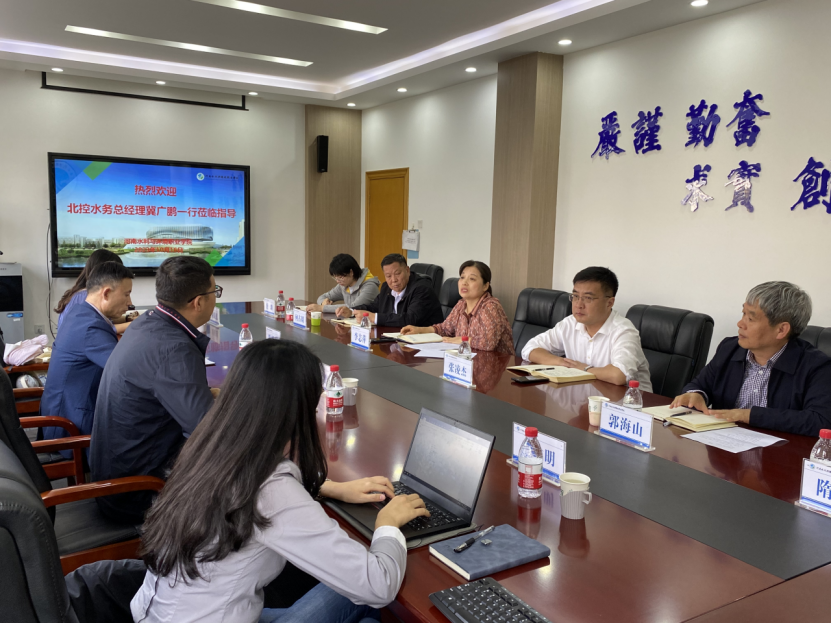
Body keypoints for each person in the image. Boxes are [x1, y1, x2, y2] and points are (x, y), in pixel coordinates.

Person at [132, 340, 429, 623]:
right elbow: (378, 585)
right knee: (366, 598)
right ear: (297, 411)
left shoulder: (208, 447)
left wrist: (332, 488)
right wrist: (387, 524)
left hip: (169, 612)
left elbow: (251, 493)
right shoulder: (271, 489)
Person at [91, 256, 221, 524]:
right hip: (139, 492)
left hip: (116, 473)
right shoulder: (175, 348)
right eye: (214, 292)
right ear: (198, 302)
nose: (215, 299)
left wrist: (208, 395)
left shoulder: (148, 322)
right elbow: (206, 431)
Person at [671, 281, 831, 436]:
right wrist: (696, 394)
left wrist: (747, 415)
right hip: (723, 445)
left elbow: (820, 420)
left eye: (751, 318)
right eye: (743, 313)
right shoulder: (729, 348)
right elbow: (700, 384)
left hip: (779, 451)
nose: (740, 323)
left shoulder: (816, 366)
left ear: (781, 330)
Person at [41, 262, 134, 450]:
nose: (130, 302)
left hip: (63, 414)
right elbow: (127, 372)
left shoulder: (81, 312)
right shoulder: (91, 327)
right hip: (72, 429)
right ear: (106, 293)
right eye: (126, 294)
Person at [521, 267, 652, 391]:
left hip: (630, 403)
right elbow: (529, 349)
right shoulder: (570, 323)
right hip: (585, 397)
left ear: (609, 303)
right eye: (575, 296)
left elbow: (618, 375)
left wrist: (584, 369)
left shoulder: (624, 331)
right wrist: (562, 363)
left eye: (588, 298)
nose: (579, 304)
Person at [401, 260, 514, 356]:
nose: (464, 282)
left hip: (495, 366)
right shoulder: (461, 304)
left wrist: (462, 340)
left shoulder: (491, 306)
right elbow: (444, 329)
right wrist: (419, 330)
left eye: (472, 279)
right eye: (462, 277)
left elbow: (488, 343)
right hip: (467, 360)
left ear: (485, 286)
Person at [338, 253, 443, 327]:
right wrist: (352, 311)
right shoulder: (386, 287)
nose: (393, 280)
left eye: (397, 274)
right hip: (395, 338)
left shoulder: (422, 289)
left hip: (423, 342)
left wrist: (374, 317)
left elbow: (410, 319)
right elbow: (374, 306)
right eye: (388, 276)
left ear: (407, 270)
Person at [55, 249, 131, 335]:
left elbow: (103, 321)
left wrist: (128, 318)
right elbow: (102, 328)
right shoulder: (86, 297)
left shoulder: (79, 293)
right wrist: (132, 324)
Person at [306, 253, 380, 314]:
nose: (337, 281)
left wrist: (322, 308)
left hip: (368, 325)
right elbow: (323, 296)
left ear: (351, 272)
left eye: (340, 277)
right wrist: (323, 302)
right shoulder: (344, 285)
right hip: (351, 323)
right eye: (335, 278)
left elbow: (353, 307)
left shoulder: (370, 286)